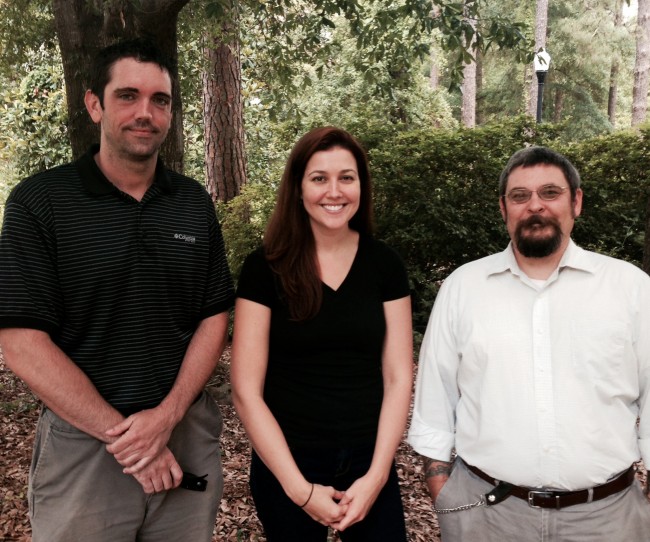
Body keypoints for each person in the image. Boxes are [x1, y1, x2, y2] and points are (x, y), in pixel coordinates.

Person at [0, 38, 234, 541]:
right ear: (94, 104)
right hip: (83, 449)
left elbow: (214, 316)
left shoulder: (192, 203)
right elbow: (20, 341)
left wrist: (165, 417)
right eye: (127, 96)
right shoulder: (41, 203)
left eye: (160, 100)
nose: (144, 112)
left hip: (185, 434)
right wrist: (131, 440)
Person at [408, 146, 650, 541]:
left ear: (576, 202)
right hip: (486, 517)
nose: (534, 205)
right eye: (520, 196)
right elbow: (436, 400)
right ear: (503, 209)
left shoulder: (630, 288)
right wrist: (442, 490)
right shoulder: (463, 288)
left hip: (608, 519)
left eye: (550, 193)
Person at [230, 126, 413, 541]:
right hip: (288, 463)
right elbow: (245, 389)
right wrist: (299, 489)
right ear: (298, 188)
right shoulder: (264, 269)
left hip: (368, 462)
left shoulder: (385, 266)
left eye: (346, 177)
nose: (335, 191)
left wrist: (377, 476)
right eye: (319, 178)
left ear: (361, 186)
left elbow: (399, 376)